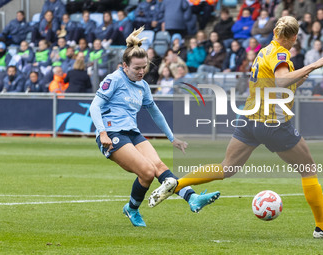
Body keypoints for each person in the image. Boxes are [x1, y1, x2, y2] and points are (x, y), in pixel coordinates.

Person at [148, 16, 323, 239]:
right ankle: (321, 227)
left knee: (227, 167)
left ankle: (177, 184)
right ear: (295, 37)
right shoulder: (281, 53)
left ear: (274, 34)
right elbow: (281, 81)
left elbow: (282, 82)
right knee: (308, 169)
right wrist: (316, 64)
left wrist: (302, 75)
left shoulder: (264, 51)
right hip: (273, 122)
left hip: (250, 118)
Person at [89, 27, 220, 227]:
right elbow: (95, 106)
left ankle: (192, 198)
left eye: (144, 67)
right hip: (112, 133)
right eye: (137, 68)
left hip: (132, 133)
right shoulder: (114, 79)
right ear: (125, 66)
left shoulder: (143, 86)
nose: (142, 72)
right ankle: (132, 209)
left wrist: (172, 138)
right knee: (147, 172)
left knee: (159, 167)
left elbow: (155, 112)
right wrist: (102, 133)